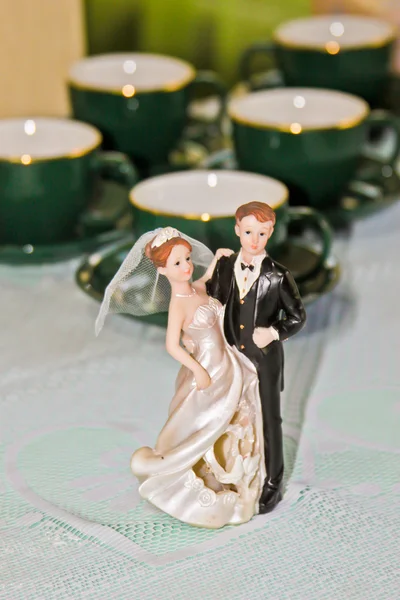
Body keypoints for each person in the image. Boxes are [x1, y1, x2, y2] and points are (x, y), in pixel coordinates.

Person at [95, 227, 267, 528]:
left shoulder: (195, 289)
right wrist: (198, 369)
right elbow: (172, 345)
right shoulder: (177, 304)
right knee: (205, 421)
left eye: (187, 259)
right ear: (162, 270)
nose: (186, 266)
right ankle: (199, 475)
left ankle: (232, 473)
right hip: (207, 368)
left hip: (224, 359)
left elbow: (204, 282)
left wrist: (215, 261)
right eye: (177, 263)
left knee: (238, 405)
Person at [206, 202, 306, 514]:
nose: (254, 239)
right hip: (231, 356)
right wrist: (212, 266)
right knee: (229, 415)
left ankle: (272, 484)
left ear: (270, 234)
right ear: (237, 230)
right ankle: (232, 472)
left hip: (263, 360)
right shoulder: (225, 266)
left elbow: (298, 316)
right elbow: (210, 298)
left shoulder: (278, 276)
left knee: (269, 420)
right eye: (248, 231)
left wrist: (274, 332)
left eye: (261, 233)